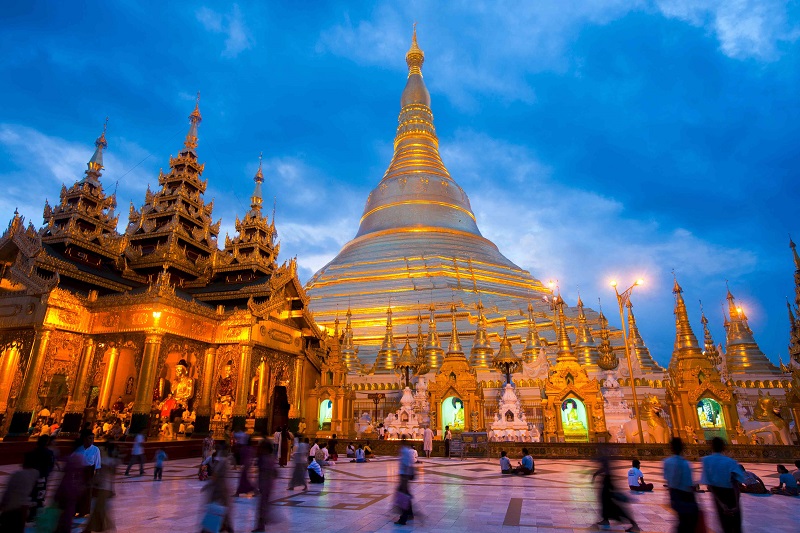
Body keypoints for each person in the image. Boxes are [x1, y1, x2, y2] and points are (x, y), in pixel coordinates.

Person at [700, 437, 743, 533]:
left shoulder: (706, 460)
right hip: (731, 494)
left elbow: (709, 485)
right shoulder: (730, 461)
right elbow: (736, 484)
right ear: (723, 447)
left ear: (711, 447)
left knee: (725, 525)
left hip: (718, 494)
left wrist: (721, 504)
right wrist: (736, 504)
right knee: (736, 526)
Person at [593, 457, 640, 533]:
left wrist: (596, 474)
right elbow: (605, 466)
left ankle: (634, 524)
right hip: (607, 480)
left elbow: (606, 467)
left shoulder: (604, 451)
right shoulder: (603, 451)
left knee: (613, 505)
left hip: (608, 481)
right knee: (605, 501)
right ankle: (605, 519)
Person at [663, 437, 698, 533]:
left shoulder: (667, 462)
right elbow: (690, 483)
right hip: (686, 495)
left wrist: (670, 495)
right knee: (687, 521)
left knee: (682, 519)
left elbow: (668, 480)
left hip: (674, 494)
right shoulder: (686, 463)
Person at [84, 441, 120, 532]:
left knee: (99, 510)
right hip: (105, 488)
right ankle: (95, 528)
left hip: (102, 488)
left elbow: (99, 475)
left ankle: (93, 528)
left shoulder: (105, 460)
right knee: (100, 509)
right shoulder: (111, 461)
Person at [0, 455, 38, 532]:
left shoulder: (17, 474)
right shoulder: (35, 473)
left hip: (13, 507)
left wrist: (2, 505)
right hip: (24, 506)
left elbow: (8, 491)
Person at [202, 443, 233, 533]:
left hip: (218, 489)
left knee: (215, 508)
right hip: (222, 488)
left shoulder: (222, 461)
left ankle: (208, 529)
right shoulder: (226, 461)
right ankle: (227, 527)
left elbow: (215, 475)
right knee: (223, 508)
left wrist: (208, 485)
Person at [25, 435, 55, 521]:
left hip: (31, 477)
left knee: (32, 495)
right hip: (41, 477)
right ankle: (34, 514)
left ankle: (30, 514)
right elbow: (50, 465)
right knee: (39, 496)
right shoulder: (49, 453)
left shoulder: (32, 452)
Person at [252, 440, 277, 532]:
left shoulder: (263, 459)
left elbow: (261, 473)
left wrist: (257, 486)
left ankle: (261, 525)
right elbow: (275, 473)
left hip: (264, 484)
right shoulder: (271, 458)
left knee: (262, 506)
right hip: (268, 485)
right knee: (264, 505)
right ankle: (262, 523)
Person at [76, 430, 102, 517]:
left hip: (89, 472)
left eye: (93, 438)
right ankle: (76, 509)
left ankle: (84, 511)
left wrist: (97, 475)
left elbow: (97, 463)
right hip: (79, 472)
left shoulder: (95, 449)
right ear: (84, 439)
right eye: (89, 438)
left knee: (87, 492)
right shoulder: (79, 449)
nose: (91, 440)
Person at [394, 437, 416, 525]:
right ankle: (410, 513)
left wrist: (404, 478)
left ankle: (403, 517)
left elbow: (406, 464)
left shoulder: (404, 451)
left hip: (404, 476)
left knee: (402, 496)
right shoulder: (405, 450)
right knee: (405, 494)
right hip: (404, 476)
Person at [235, 430, 255, 496]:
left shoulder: (245, 448)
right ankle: (246, 490)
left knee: (243, 478)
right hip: (248, 464)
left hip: (245, 465)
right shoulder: (251, 448)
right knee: (244, 478)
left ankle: (249, 489)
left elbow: (242, 456)